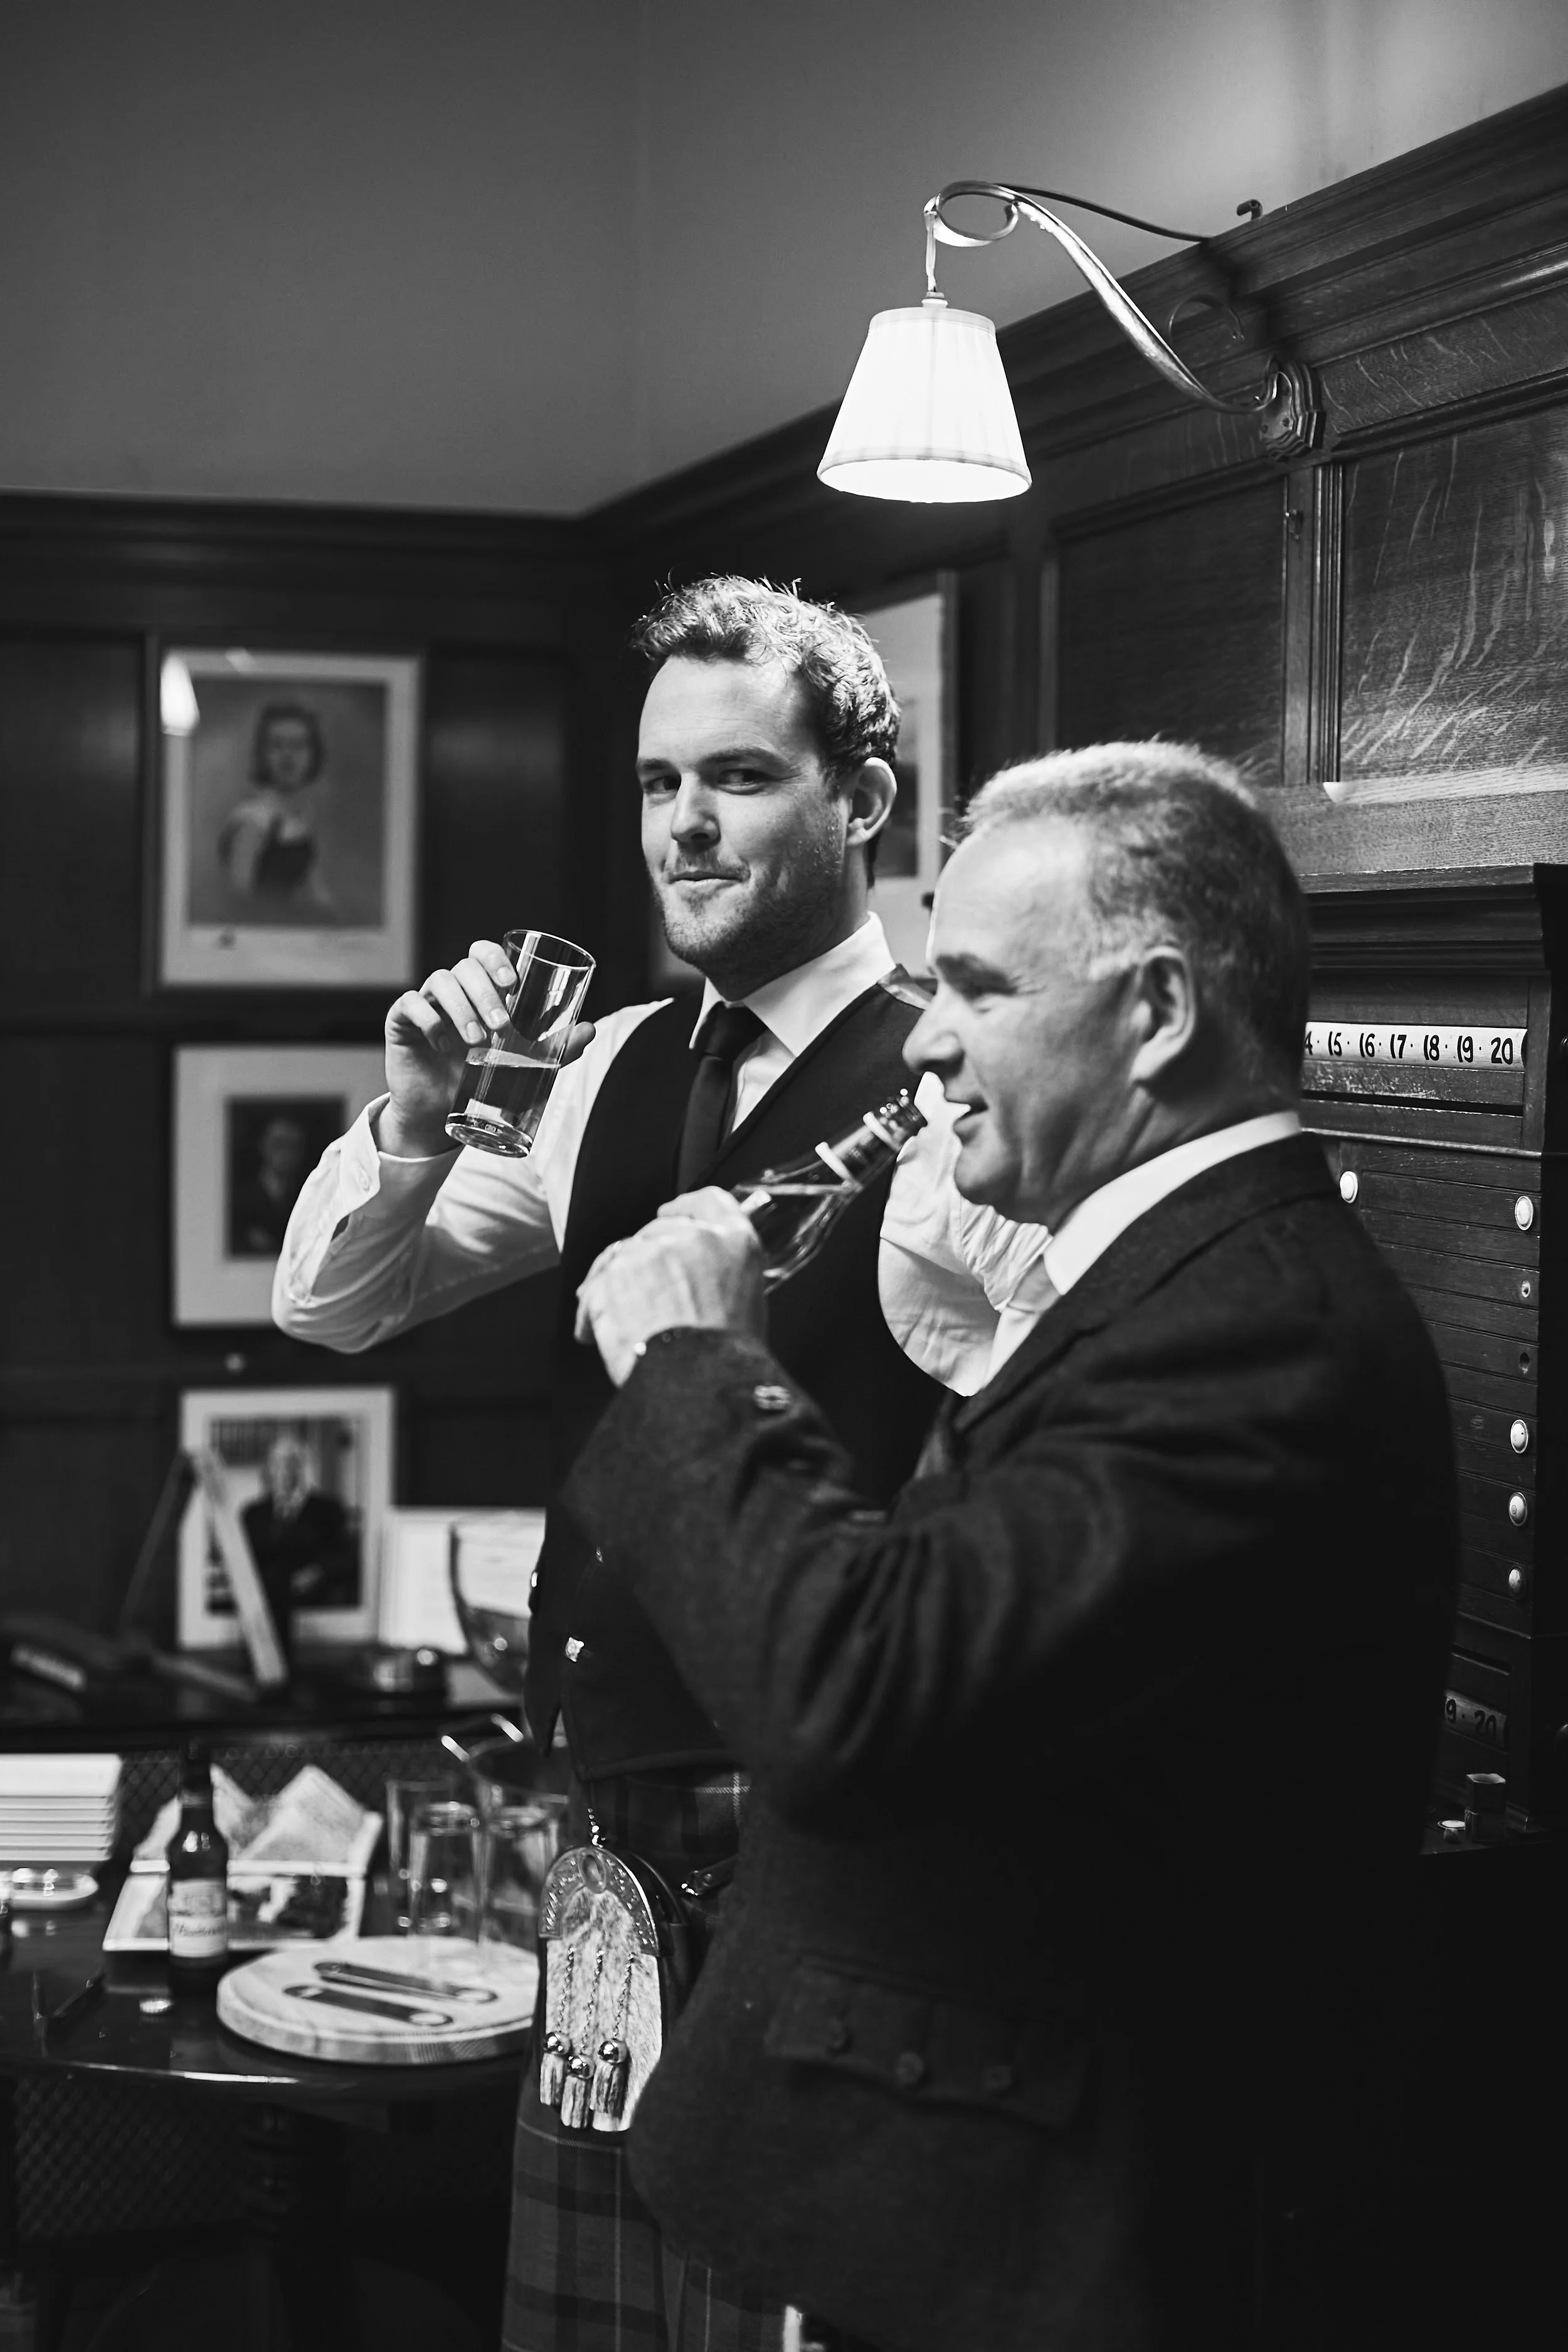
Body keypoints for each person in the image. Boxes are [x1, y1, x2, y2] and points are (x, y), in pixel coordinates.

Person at [569, 741, 1460, 2352]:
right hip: (952, 2218)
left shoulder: (1259, 1333)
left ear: (1159, 1012)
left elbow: (857, 1694)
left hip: (1074, 2259)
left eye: (976, 986)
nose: (924, 1038)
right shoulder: (1163, 1280)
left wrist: (699, 1361)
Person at [273, 578, 1045, 2352]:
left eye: (741, 778)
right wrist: (408, 1116)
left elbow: (1047, 1454)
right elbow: (336, 1302)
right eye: (655, 783)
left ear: (862, 796)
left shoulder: (951, 1091)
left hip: (831, 1847)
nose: (682, 825)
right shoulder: (607, 1059)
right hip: (606, 1823)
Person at [218, 700, 332, 909]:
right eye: (277, 746)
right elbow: (240, 898)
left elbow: (314, 890)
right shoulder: (252, 820)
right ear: (263, 754)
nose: (288, 757)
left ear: (313, 754)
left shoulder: (302, 818)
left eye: (298, 746)